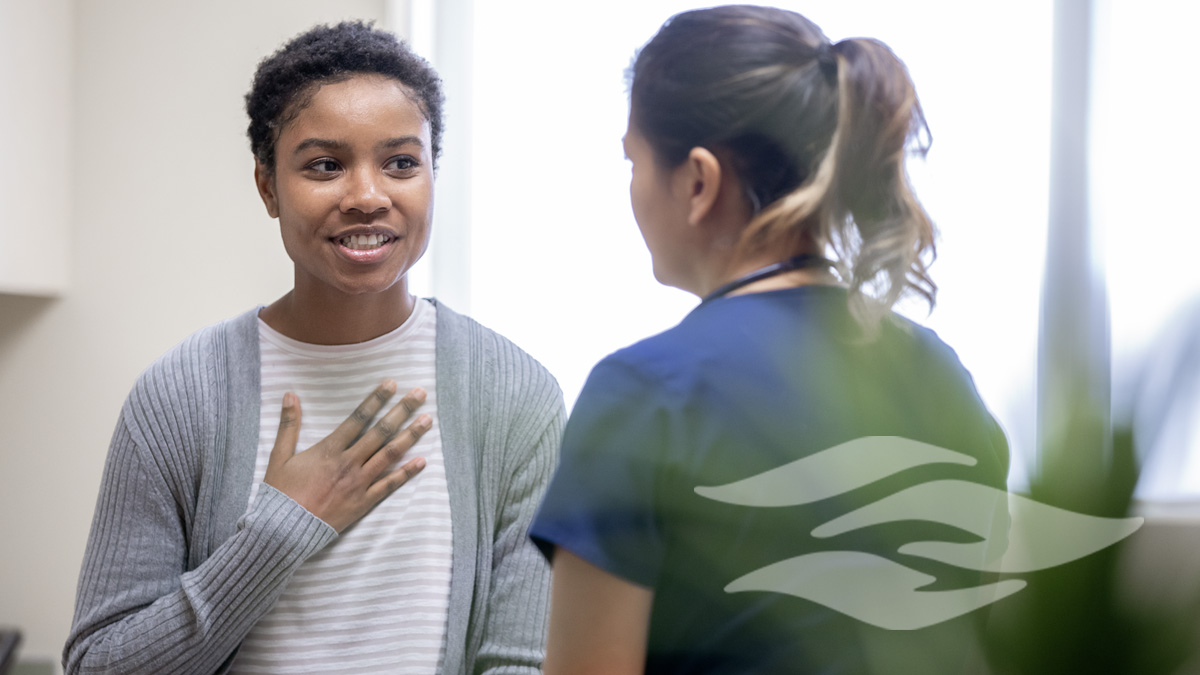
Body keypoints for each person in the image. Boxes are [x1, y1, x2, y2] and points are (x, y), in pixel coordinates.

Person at [65, 21, 564, 675]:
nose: (366, 195)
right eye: (325, 165)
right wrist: (280, 528)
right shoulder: (180, 396)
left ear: (432, 176)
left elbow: (522, 662)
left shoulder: (515, 396)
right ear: (269, 186)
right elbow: (97, 665)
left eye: (401, 163)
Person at [529, 6, 1010, 674]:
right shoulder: (940, 372)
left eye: (633, 162)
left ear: (698, 181)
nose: (632, 190)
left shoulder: (645, 394)